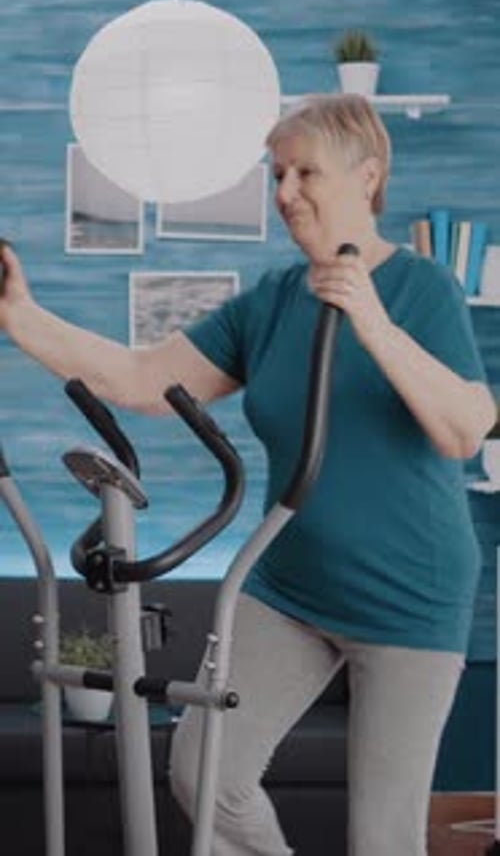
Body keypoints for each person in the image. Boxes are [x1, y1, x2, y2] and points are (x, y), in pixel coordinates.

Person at [0, 93, 496, 856]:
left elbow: (466, 428)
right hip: (289, 588)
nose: (285, 192)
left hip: (411, 596)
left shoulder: (420, 289)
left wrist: (370, 319)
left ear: (367, 178)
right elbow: (140, 378)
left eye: (306, 173)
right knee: (203, 776)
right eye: (277, 173)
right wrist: (20, 316)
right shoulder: (267, 304)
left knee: (383, 840)